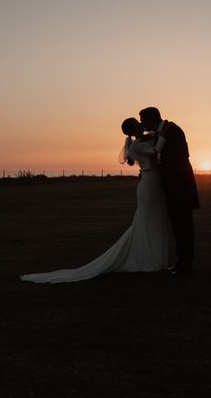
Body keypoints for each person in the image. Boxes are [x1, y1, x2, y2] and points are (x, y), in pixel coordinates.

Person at [20, 118, 169, 284]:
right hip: (148, 185)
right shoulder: (135, 146)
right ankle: (150, 259)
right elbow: (155, 152)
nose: (140, 123)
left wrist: (157, 135)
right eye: (136, 122)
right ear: (133, 128)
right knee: (147, 221)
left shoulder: (145, 138)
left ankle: (156, 257)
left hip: (154, 184)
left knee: (155, 220)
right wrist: (163, 135)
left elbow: (152, 140)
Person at [139, 107, 199, 275]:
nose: (142, 124)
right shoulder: (160, 133)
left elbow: (181, 155)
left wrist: (157, 159)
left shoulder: (173, 130)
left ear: (151, 120)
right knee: (178, 227)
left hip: (181, 187)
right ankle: (181, 262)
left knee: (184, 227)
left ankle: (186, 265)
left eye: (143, 121)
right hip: (172, 188)